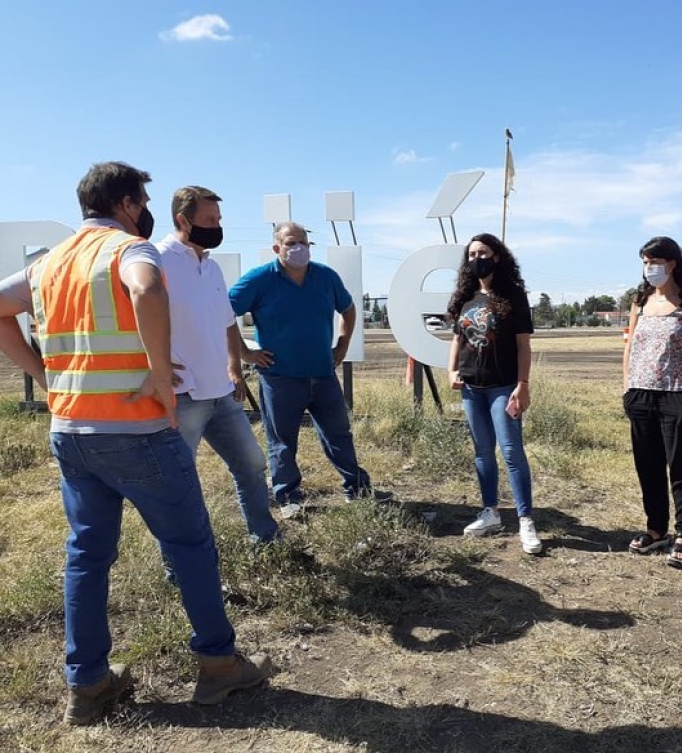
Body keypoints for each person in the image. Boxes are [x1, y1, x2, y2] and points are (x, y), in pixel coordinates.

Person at [0, 162, 269, 725]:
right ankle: (219, 665)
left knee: (87, 557)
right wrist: (156, 374)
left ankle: (89, 684)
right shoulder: (130, 250)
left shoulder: (49, 263)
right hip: (138, 431)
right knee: (190, 545)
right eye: (142, 198)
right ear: (126, 203)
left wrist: (45, 378)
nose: (145, 208)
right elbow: (147, 290)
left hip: (72, 432)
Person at [156, 187, 293, 544]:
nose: (217, 227)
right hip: (182, 396)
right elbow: (133, 320)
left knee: (251, 465)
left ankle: (265, 539)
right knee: (177, 483)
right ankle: (183, 563)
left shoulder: (211, 267)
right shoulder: (155, 261)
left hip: (222, 393)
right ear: (182, 220)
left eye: (218, 220)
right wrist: (152, 364)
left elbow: (227, 323)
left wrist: (235, 368)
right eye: (209, 220)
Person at [229, 221, 390, 505]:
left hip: (323, 374)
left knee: (339, 434)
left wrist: (342, 343)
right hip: (280, 378)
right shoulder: (259, 280)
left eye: (303, 242)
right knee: (282, 443)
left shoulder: (326, 277)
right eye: (291, 243)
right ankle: (288, 496)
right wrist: (244, 353)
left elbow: (349, 308)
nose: (298, 248)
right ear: (277, 248)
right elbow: (223, 313)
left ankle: (357, 489)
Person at [446, 233, 541, 555]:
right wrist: (451, 370)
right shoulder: (465, 296)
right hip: (472, 388)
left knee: (511, 451)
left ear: (496, 257)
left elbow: (523, 345)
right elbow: (458, 340)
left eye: (483, 253)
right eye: (472, 254)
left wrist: (522, 385)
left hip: (503, 387)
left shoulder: (512, 295)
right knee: (482, 452)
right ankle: (489, 512)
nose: (477, 259)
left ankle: (525, 519)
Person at [621, 237, 682, 569]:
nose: (649, 268)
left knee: (681, 466)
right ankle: (655, 528)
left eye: (654, 262)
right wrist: (627, 385)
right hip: (641, 393)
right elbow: (630, 347)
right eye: (645, 262)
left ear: (672, 263)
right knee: (648, 465)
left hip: (676, 395)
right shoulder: (640, 301)